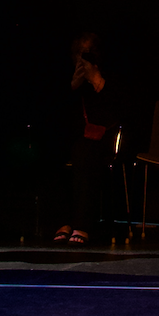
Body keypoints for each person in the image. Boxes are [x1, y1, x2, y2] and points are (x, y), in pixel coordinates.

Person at [58, 32, 119, 245]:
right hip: (78, 138)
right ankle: (64, 220)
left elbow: (119, 110)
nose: (82, 58)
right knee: (62, 151)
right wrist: (74, 85)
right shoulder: (73, 80)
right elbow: (60, 113)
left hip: (105, 138)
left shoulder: (109, 77)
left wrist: (97, 80)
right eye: (78, 54)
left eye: (87, 54)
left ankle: (82, 223)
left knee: (85, 153)